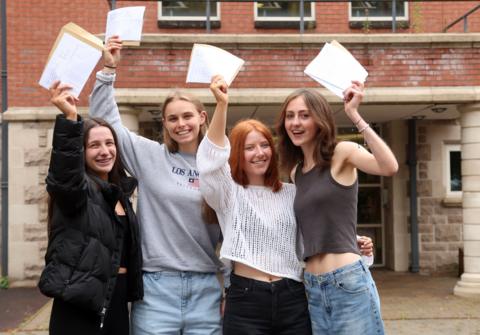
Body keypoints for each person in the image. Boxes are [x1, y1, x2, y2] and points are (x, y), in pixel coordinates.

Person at [89, 36, 224, 334]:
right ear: (164, 123)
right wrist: (108, 70)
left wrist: (230, 285)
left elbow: (236, 231)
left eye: (188, 116)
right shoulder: (151, 156)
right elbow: (106, 121)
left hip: (206, 287)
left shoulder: (219, 167)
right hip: (155, 288)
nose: (181, 124)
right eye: (172, 119)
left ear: (202, 118)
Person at [276, 82, 399, 334]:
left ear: (319, 119)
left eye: (304, 115)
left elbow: (389, 167)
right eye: (290, 116)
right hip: (311, 286)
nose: (295, 123)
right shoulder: (295, 172)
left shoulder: (342, 152)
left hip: (347, 281)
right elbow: (315, 223)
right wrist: (352, 237)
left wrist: (354, 115)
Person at [197, 75, 312, 334]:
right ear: (237, 153)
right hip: (246, 299)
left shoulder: (292, 193)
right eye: (250, 147)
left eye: (264, 145)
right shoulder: (229, 192)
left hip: (293, 297)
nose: (260, 153)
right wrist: (222, 105)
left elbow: (313, 239)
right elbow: (210, 160)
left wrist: (356, 244)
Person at [38, 81, 143, 335]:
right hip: (78, 302)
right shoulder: (77, 191)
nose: (105, 151)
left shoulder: (120, 195)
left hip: (115, 299)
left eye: (109, 143)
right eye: (94, 145)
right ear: (81, 152)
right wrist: (71, 119)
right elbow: (64, 175)